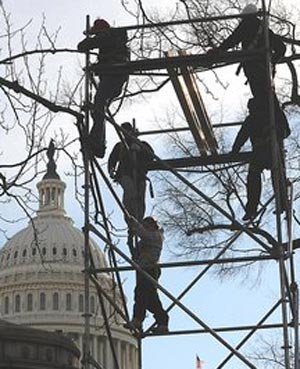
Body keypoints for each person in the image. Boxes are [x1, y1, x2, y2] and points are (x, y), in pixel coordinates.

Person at [208, 4, 286, 101]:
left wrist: (219, 49)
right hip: (264, 68)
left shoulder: (247, 23)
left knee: (260, 96)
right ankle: (273, 114)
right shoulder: (265, 30)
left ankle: (262, 111)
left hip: (253, 65)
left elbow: (233, 39)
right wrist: (271, 62)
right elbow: (281, 48)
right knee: (269, 98)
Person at [78, 19, 130, 158]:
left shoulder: (110, 35)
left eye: (96, 33)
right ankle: (98, 144)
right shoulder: (117, 40)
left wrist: (88, 39)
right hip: (114, 78)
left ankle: (96, 142)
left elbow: (84, 46)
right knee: (98, 109)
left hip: (113, 76)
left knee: (99, 103)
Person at [231, 97, 290, 221]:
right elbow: (242, 135)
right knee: (254, 177)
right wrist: (235, 150)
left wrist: (274, 131)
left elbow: (286, 131)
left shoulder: (273, 114)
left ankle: (281, 203)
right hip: (261, 151)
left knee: (275, 176)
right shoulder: (252, 119)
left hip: (271, 149)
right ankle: (253, 209)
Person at [108, 122, 155, 244]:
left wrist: (140, 150)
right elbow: (112, 160)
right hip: (125, 174)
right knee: (130, 194)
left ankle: (138, 222)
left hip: (140, 175)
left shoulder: (142, 144)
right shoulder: (120, 146)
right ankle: (130, 220)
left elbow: (151, 156)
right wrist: (111, 170)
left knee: (140, 198)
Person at [124, 215, 169, 333]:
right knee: (148, 298)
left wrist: (134, 223)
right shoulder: (146, 239)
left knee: (142, 294)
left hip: (150, 268)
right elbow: (136, 255)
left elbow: (144, 235)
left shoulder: (156, 236)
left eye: (146, 225)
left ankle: (139, 319)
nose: (144, 228)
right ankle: (161, 322)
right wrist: (130, 242)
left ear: (152, 225)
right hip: (143, 268)